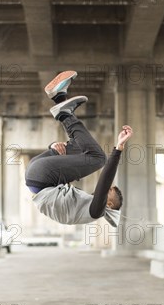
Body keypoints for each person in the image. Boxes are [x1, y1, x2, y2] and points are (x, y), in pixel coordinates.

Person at [25, 71, 133, 227]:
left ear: (108, 205)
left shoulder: (95, 211)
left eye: (108, 191)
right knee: (82, 147)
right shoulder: (83, 206)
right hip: (36, 174)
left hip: (41, 177)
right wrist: (53, 147)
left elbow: (105, 178)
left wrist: (119, 148)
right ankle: (59, 97)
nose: (104, 188)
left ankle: (63, 112)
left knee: (99, 159)